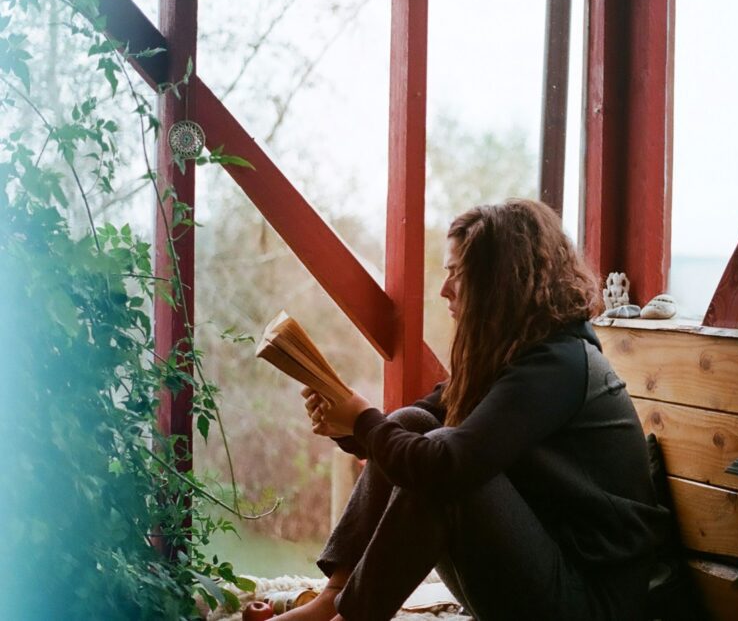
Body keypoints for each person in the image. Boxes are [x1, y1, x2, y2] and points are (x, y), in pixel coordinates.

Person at [279, 199, 669, 621]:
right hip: (545, 570)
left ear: (499, 281)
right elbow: (422, 417)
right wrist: (346, 420)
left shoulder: (559, 365)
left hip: (590, 603)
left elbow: (448, 466)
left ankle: (351, 617)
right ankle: (334, 598)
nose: (444, 290)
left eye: (456, 275)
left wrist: (362, 420)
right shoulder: (517, 353)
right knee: (413, 424)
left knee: (447, 470)